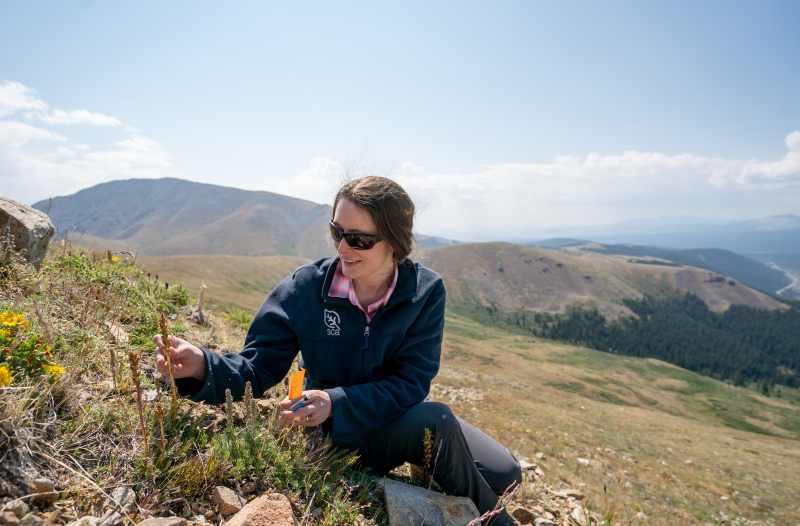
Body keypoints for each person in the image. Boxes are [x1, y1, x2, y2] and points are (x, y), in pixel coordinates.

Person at [153, 176, 520, 524]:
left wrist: (340, 400)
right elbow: (257, 367)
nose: (343, 247)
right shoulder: (306, 287)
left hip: (387, 418)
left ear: (394, 240)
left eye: (359, 239)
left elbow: (411, 383)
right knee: (437, 421)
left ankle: (432, 465)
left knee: (507, 474)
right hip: (329, 430)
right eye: (337, 232)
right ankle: (497, 523)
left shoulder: (425, 292)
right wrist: (203, 365)